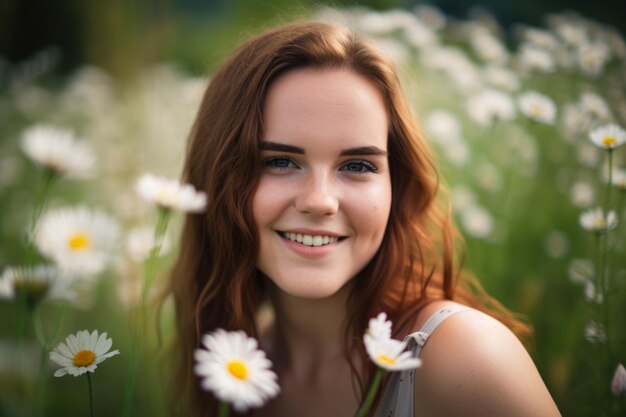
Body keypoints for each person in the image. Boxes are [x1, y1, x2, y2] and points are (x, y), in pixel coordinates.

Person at [166, 20, 562, 417]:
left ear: (397, 185)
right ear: (217, 178)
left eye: (357, 164)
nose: (320, 201)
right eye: (280, 161)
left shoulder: (463, 356)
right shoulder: (238, 365)